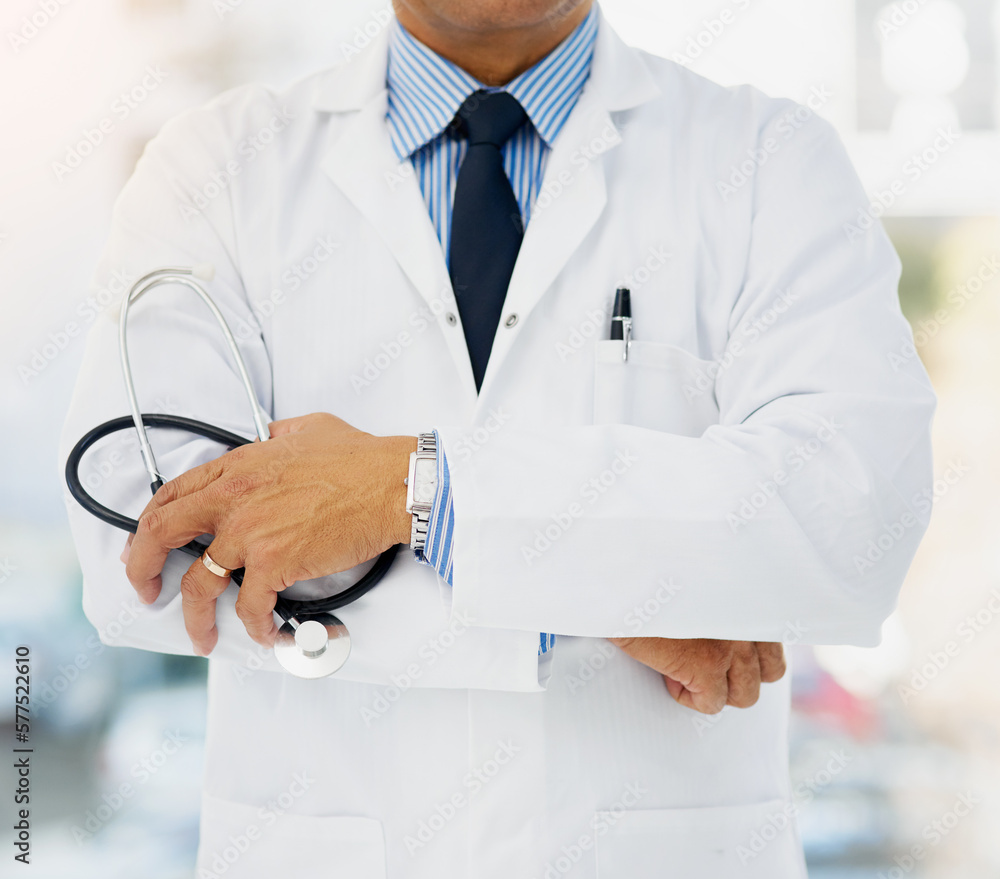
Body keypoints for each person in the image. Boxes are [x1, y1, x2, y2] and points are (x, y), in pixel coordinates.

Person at [60, 1, 936, 876]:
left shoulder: (769, 163)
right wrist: (626, 602)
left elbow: (849, 518)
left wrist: (409, 490)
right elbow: (142, 551)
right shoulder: (215, 168)